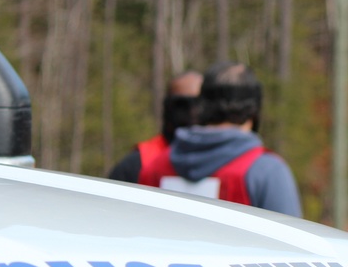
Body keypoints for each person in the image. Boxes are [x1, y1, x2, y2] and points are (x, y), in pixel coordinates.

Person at [139, 61, 302, 217]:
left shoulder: (154, 168)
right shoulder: (267, 172)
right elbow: (290, 243)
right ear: (254, 110)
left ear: (201, 104)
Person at [107, 70, 203, 183]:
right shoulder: (140, 163)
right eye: (181, 105)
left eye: (198, 104)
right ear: (167, 107)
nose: (192, 112)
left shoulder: (221, 164)